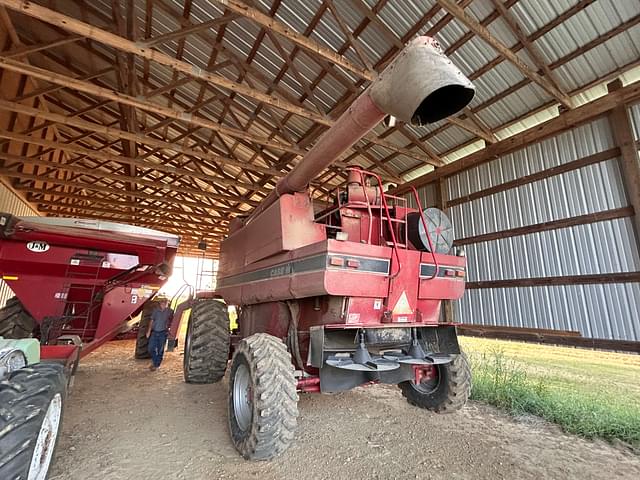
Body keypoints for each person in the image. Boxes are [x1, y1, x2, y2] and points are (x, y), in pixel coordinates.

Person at [147, 299, 173, 371]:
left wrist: (170, 329)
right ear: (160, 304)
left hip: (163, 333)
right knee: (150, 348)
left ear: (167, 304)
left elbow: (173, 320)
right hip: (154, 332)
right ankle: (156, 362)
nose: (163, 305)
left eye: (165, 304)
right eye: (162, 304)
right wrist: (148, 331)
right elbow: (151, 321)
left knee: (160, 350)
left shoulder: (170, 311)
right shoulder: (155, 311)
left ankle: (156, 365)